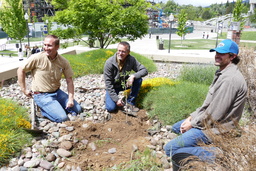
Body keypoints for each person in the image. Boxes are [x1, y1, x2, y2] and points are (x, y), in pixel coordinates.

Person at [164, 39, 247, 170]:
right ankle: (198, 146)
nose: (217, 55)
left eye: (222, 53)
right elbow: (207, 105)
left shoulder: (230, 79)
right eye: (216, 52)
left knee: (170, 148)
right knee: (176, 127)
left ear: (233, 56)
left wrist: (193, 124)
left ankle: (219, 153)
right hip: (208, 122)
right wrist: (191, 117)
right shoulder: (223, 72)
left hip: (217, 129)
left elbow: (214, 114)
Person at [17, 35, 82, 123]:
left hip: (57, 92)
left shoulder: (63, 61)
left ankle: (56, 107)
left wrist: (70, 99)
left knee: (78, 109)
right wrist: (24, 89)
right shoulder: (37, 58)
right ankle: (44, 111)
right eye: (45, 45)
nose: (46, 48)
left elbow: (69, 81)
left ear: (57, 47)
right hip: (41, 95)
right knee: (62, 118)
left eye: (49, 45)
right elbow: (21, 70)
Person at [104, 41, 148, 116]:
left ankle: (130, 102)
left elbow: (144, 70)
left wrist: (133, 76)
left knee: (138, 79)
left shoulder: (131, 60)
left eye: (123, 52)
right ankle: (113, 98)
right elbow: (108, 84)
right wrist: (116, 99)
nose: (120, 53)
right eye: (119, 51)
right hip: (113, 87)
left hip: (125, 84)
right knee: (111, 108)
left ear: (128, 52)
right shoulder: (109, 63)